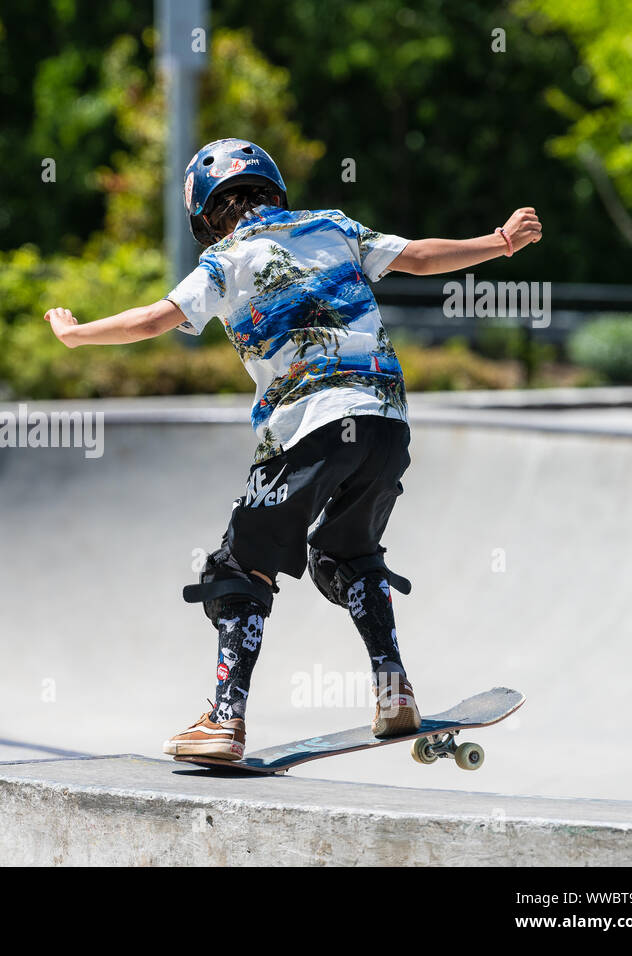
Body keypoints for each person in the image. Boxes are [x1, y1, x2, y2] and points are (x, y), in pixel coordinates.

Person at [43, 137, 541, 761]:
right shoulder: (332, 225)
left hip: (311, 424)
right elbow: (416, 257)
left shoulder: (226, 260)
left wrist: (75, 334)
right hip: (385, 421)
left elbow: (151, 320)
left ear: (206, 214)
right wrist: (499, 242)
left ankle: (225, 719)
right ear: (274, 188)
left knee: (237, 567)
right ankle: (394, 691)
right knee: (349, 552)